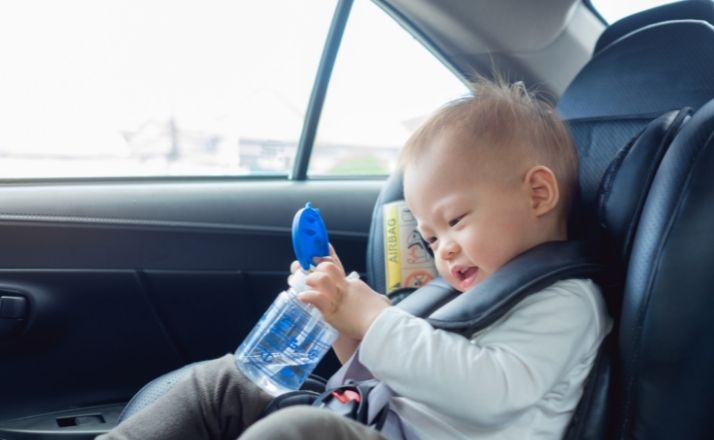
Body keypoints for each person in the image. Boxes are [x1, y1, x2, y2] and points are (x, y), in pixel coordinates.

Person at [98, 78, 611, 440]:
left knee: (299, 432)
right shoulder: (471, 293)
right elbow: (387, 377)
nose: (444, 249)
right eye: (430, 239)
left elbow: (491, 393)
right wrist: (345, 325)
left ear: (538, 194)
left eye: (455, 221)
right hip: (375, 420)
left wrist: (375, 316)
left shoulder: (564, 300)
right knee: (225, 382)